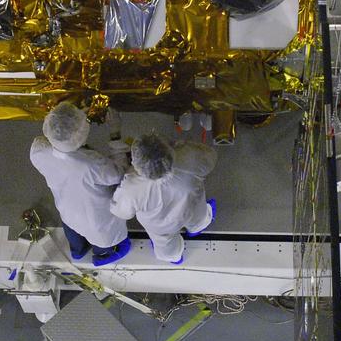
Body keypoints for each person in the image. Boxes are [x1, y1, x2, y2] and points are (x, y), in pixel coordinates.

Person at [30, 102, 132, 266]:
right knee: (102, 240)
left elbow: (55, 139)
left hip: (67, 211)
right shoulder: (90, 164)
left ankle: (78, 252)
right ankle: (103, 255)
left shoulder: (38, 151)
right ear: (80, 135)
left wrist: (69, 120)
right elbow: (119, 173)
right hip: (97, 219)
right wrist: (115, 133)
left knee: (74, 232)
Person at [111, 133, 217, 265]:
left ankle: (174, 257)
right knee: (198, 216)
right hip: (190, 206)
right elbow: (210, 157)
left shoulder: (130, 187)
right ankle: (197, 227)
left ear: (136, 161)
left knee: (164, 242)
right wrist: (178, 144)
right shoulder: (189, 156)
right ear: (167, 150)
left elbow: (122, 212)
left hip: (159, 224)